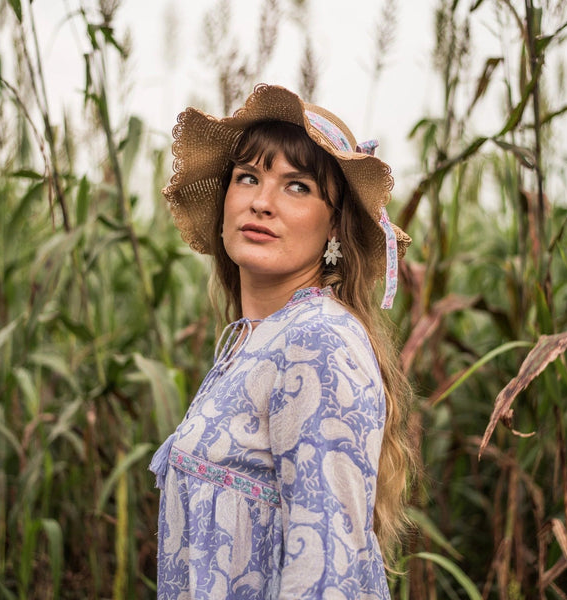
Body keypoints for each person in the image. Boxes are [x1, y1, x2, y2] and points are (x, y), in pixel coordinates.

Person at [149, 83, 413, 599]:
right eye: (248, 178)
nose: (262, 202)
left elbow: (325, 576)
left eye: (298, 187)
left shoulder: (318, 340)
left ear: (334, 223)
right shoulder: (252, 344)